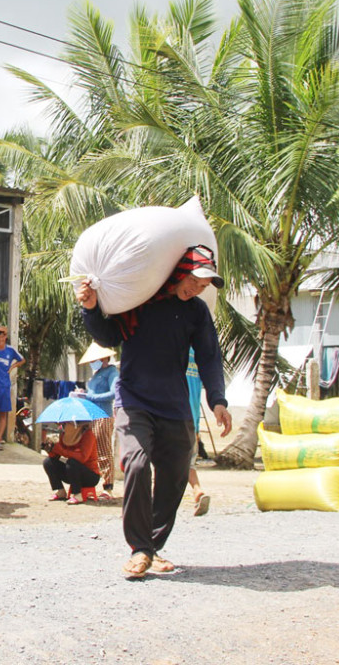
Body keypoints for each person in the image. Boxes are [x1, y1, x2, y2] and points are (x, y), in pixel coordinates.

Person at [78, 244, 232, 579]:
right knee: (135, 464)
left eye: (204, 286)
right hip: (134, 400)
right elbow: (110, 335)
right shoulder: (141, 299)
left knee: (175, 475)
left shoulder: (196, 312)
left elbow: (209, 355)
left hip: (175, 405)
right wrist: (90, 309)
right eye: (195, 279)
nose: (197, 288)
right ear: (179, 271)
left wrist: (217, 399)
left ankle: (152, 546)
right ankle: (139, 549)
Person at [73, 342, 118, 499]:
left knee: (104, 450)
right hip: (91, 415)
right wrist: (83, 393)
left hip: (103, 415)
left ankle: (108, 486)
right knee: (92, 450)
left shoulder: (111, 372)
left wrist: (92, 397)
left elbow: (114, 393)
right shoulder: (97, 374)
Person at [42, 422, 101, 505]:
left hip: (90, 476)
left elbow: (82, 458)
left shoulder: (88, 435)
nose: (63, 426)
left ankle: (77, 495)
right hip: (73, 474)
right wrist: (50, 449)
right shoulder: (65, 436)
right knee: (48, 462)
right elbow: (56, 455)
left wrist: (62, 451)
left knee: (72, 463)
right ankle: (60, 491)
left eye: (65, 424)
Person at [185, 349, 211, 516]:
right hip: (193, 417)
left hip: (172, 415)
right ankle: (197, 491)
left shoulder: (174, 344)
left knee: (163, 459)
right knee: (189, 462)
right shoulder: (197, 353)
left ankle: (151, 499)